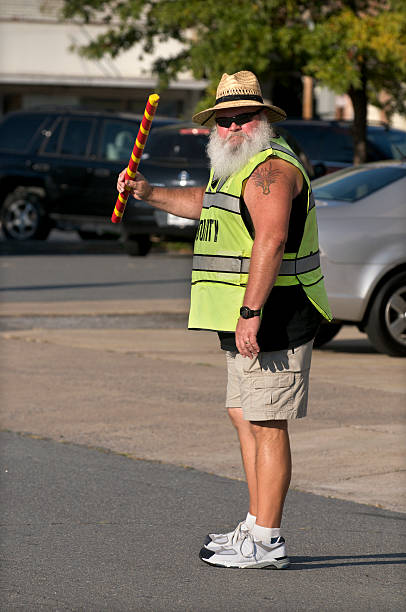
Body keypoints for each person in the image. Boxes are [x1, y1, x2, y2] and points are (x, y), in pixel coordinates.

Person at [117, 71, 332, 570]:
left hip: (275, 312)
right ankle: (255, 524)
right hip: (245, 317)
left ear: (262, 121)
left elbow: (271, 241)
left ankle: (268, 539)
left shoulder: (272, 170)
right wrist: (149, 193)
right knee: (244, 415)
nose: (233, 127)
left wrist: (251, 313)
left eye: (243, 118)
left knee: (267, 422)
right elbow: (207, 205)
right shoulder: (233, 169)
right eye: (225, 119)